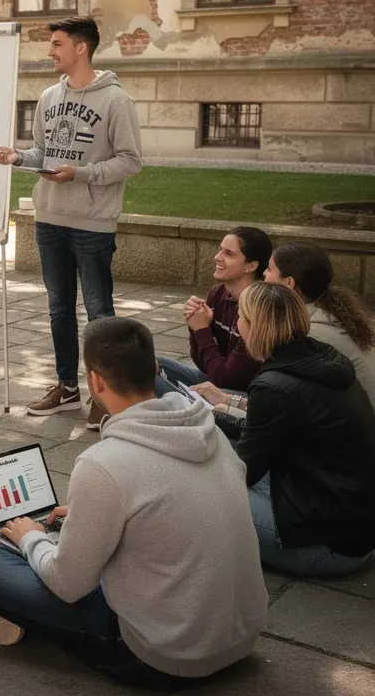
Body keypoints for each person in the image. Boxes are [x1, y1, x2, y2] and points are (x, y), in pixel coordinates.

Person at [0, 317, 267, 689]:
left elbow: (67, 584)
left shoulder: (104, 463)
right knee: (63, 547)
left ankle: (10, 617)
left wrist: (29, 538)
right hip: (239, 639)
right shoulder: (209, 431)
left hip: (161, 656)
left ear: (95, 382)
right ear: (155, 369)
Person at [0, 16, 142, 429]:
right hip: (50, 219)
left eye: (57, 43)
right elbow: (44, 151)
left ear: (81, 48)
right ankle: (67, 388)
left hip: (93, 223)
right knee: (58, 308)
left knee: (99, 312)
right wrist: (18, 158)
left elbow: (130, 161)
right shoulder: (47, 98)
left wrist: (82, 174)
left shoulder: (116, 101)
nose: (51, 51)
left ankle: (106, 395)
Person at [199, 282, 375, 576]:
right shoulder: (317, 358)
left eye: (240, 316)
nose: (235, 322)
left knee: (195, 486)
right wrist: (215, 417)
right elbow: (268, 432)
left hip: (327, 547)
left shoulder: (276, 385)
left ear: (255, 325)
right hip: (351, 526)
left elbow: (243, 471)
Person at [155, 226, 272, 405]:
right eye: (220, 250)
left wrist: (201, 330)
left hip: (243, 397)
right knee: (150, 365)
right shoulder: (218, 293)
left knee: (149, 382)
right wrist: (194, 324)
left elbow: (226, 380)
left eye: (229, 254)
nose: (217, 257)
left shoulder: (259, 308)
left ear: (251, 265)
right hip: (216, 380)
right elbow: (205, 366)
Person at [264, 241, 375, 408]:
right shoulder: (330, 313)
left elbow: (286, 404)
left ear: (289, 283)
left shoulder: (309, 335)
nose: (264, 274)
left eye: (269, 268)